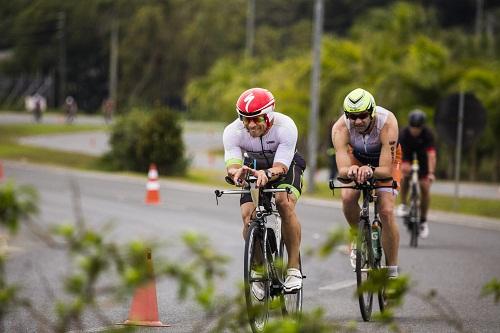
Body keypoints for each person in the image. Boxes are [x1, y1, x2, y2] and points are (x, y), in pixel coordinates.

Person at [223, 87, 306, 293]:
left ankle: (293, 268)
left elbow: (281, 167)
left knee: (283, 202)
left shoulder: (285, 126)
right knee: (247, 215)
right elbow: (232, 164)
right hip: (252, 167)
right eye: (245, 118)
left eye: (257, 119)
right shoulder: (232, 131)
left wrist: (268, 174)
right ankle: (259, 268)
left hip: (285, 166)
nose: (250, 124)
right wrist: (236, 173)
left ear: (269, 116)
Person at [331, 88, 401, 279]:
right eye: (352, 117)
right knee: (347, 197)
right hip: (358, 158)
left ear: (372, 112)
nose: (358, 121)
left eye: (362, 116)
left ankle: (391, 269)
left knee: (386, 210)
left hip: (385, 160)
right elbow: (342, 169)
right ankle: (358, 235)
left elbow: (386, 170)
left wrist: (371, 170)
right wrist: (352, 171)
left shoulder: (387, 123)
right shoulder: (340, 128)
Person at [396, 109, 436, 239]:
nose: (415, 130)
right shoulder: (404, 133)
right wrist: (403, 165)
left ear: (422, 127)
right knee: (405, 174)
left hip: (423, 161)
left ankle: (423, 220)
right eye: (413, 127)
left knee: (425, 188)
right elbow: (399, 152)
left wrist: (430, 173)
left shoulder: (428, 134)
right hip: (407, 156)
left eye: (418, 128)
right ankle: (403, 204)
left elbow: (431, 154)